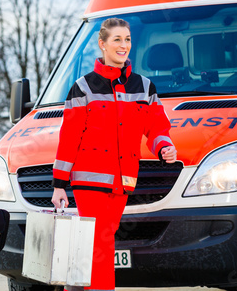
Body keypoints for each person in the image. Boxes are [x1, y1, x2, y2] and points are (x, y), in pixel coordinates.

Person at [51, 18, 177, 291]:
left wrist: (163, 146)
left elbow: (156, 126)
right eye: (117, 39)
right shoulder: (83, 88)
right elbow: (69, 136)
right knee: (101, 244)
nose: (123, 45)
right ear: (102, 44)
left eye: (127, 39)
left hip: (122, 181)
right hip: (89, 181)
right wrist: (59, 183)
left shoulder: (144, 88)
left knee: (100, 244)